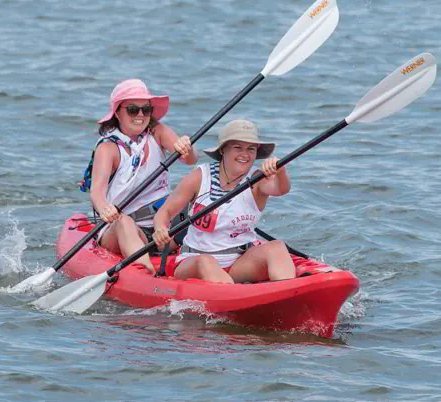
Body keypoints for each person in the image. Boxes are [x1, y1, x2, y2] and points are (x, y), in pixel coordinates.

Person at [153, 119, 295, 284]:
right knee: (206, 261)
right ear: (223, 150)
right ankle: (237, 298)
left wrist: (281, 171)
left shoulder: (258, 179)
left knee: (276, 247)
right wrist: (160, 229)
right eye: (237, 148)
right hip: (194, 261)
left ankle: (289, 292)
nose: (245, 154)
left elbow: (281, 189)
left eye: (251, 149)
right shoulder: (199, 177)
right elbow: (166, 212)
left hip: (238, 262)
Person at [81, 78, 197, 273]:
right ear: (117, 112)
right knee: (124, 222)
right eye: (133, 110)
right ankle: (145, 274)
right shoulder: (108, 147)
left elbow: (189, 160)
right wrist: (105, 209)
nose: (140, 115)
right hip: (123, 229)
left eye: (146, 109)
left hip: (162, 223)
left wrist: (187, 147)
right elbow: (97, 193)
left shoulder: (157, 131)